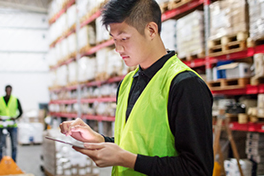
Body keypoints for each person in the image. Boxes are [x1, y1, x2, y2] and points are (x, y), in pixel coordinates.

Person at [58, 0, 213, 175]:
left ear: (151, 30)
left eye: (124, 39)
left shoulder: (184, 85)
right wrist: (100, 139)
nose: (118, 48)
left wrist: (125, 159)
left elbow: (197, 170)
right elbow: (135, 144)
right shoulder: (128, 83)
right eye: (114, 40)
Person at [0, 85, 23, 162]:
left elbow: (21, 112)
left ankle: (13, 162)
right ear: (5, 90)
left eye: (10, 91)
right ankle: (0, 163)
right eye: (7, 90)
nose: (8, 92)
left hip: (13, 125)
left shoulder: (15, 99)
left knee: (14, 145)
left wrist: (15, 117)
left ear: (11, 91)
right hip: (2, 125)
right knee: (0, 146)